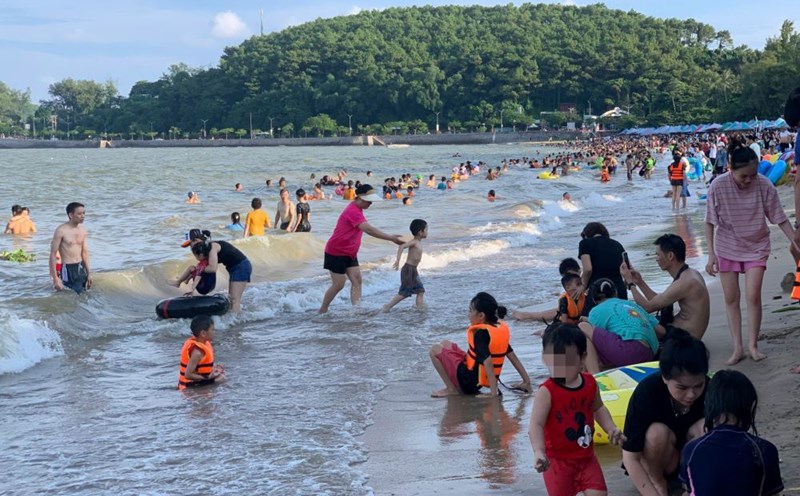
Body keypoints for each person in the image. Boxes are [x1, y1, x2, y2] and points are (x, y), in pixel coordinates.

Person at [705, 135, 798, 364]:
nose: (749, 180)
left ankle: (753, 346)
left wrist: (795, 241)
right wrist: (710, 255)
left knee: (753, 295)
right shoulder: (718, 185)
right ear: (731, 169)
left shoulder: (764, 185)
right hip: (727, 245)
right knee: (731, 298)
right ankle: (738, 348)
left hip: (756, 245)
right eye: (743, 176)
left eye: (752, 175)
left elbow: (779, 217)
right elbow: (709, 222)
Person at [529, 323, 626, 496]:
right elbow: (536, 425)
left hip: (587, 458)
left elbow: (598, 408)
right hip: (557, 463)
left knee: (599, 494)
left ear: (582, 358)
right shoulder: (547, 391)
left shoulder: (590, 383)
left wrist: (610, 428)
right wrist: (539, 451)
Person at [621, 329, 708, 496]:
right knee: (656, 432)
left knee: (708, 427)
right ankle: (657, 482)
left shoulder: (711, 391)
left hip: (691, 460)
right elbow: (630, 457)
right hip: (660, 461)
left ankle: (694, 481)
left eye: (698, 386)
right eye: (682, 387)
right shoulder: (647, 392)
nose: (691, 395)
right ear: (665, 378)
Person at [679, 370, 783, 496]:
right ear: (750, 406)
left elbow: (691, 490)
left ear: (708, 405)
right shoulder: (765, 449)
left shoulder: (691, 449)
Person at [318, 184, 403, 313]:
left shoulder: (358, 209)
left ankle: (357, 310)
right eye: (369, 201)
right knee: (339, 284)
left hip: (350, 252)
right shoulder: (353, 211)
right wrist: (390, 238)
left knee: (357, 280)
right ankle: (323, 309)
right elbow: (369, 229)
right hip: (336, 252)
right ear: (360, 198)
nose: (371, 203)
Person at [429, 292, 532, 397]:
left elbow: (488, 362)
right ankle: (526, 382)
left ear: (481, 316)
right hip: (475, 378)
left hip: (467, 382)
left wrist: (493, 393)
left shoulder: (480, 334)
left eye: (470, 311)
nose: (468, 314)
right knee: (445, 343)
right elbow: (512, 356)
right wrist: (526, 381)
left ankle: (451, 389)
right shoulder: (496, 331)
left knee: (434, 350)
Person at [621, 234, 710, 340]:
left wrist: (630, 283)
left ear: (670, 256)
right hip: (681, 332)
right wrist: (640, 282)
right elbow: (658, 301)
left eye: (658, 255)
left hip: (683, 341)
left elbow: (647, 307)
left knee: (635, 320)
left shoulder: (685, 282)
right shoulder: (690, 274)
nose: (656, 259)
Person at [577, 279, 661, 374]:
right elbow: (661, 331)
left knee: (583, 326)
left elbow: (595, 340)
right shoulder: (632, 305)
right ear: (616, 292)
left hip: (627, 352)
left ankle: (594, 375)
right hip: (649, 353)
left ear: (593, 299)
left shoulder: (596, 311)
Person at [184, 229, 252, 312]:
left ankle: (235, 318)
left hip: (241, 266)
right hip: (234, 268)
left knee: (234, 300)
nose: (191, 247)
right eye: (189, 245)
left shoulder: (212, 247)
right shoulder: (204, 249)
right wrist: (191, 277)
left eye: (191, 243)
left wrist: (196, 270)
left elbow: (212, 268)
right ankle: (234, 315)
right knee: (231, 298)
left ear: (198, 240)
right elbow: (202, 270)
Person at [578, 222, 627, 316]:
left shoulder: (585, 243)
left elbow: (588, 269)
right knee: (620, 317)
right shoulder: (617, 244)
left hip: (598, 289)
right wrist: (626, 284)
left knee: (589, 318)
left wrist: (583, 285)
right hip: (618, 288)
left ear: (586, 234)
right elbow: (626, 268)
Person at [382, 219, 427, 312]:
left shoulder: (418, 242)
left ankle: (420, 310)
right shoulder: (414, 242)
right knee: (404, 292)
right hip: (408, 270)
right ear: (420, 232)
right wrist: (397, 260)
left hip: (413, 270)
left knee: (420, 290)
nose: (427, 232)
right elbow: (402, 246)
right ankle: (387, 306)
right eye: (426, 230)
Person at [49, 202, 92, 293]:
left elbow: (85, 252)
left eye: (84, 213)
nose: (83, 216)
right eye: (79, 214)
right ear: (71, 215)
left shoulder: (83, 230)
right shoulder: (61, 230)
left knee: (84, 294)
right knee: (67, 294)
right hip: (68, 268)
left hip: (81, 267)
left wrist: (89, 273)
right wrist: (55, 278)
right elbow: (53, 254)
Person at [513, 273, 585, 325]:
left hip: (576, 321)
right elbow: (564, 321)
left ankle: (526, 315)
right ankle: (526, 316)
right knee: (543, 322)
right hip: (565, 321)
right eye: (579, 284)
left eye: (581, 284)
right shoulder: (564, 300)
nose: (581, 287)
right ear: (568, 288)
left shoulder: (584, 297)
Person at [178, 315, 225, 390]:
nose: (214, 332)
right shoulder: (197, 352)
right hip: (189, 387)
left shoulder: (204, 344)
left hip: (196, 382)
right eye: (213, 329)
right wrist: (207, 377)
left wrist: (214, 369)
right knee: (221, 378)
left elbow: (201, 367)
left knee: (221, 374)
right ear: (203, 333)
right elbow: (187, 375)